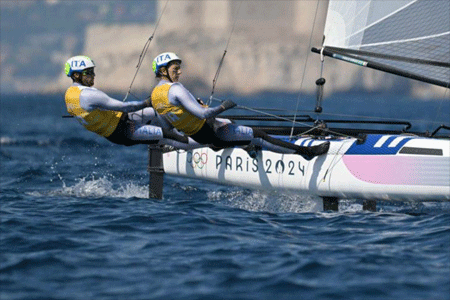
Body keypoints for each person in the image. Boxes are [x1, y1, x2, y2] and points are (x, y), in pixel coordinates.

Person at [150, 52, 330, 160]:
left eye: (179, 68)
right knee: (259, 136)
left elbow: (167, 126)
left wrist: (187, 118)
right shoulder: (175, 89)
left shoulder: (155, 96)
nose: (179, 72)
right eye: (175, 69)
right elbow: (204, 115)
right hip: (212, 131)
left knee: (230, 123)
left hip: (200, 136)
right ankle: (306, 152)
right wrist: (224, 106)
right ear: (163, 71)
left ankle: (243, 147)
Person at [64, 55, 201, 150]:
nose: (93, 75)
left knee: (159, 111)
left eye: (93, 71)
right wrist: (147, 102)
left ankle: (190, 125)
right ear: (76, 75)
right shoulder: (88, 95)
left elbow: (89, 113)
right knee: (170, 137)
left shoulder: (70, 94)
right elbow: (126, 107)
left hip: (123, 120)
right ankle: (209, 143)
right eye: (88, 72)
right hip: (123, 131)